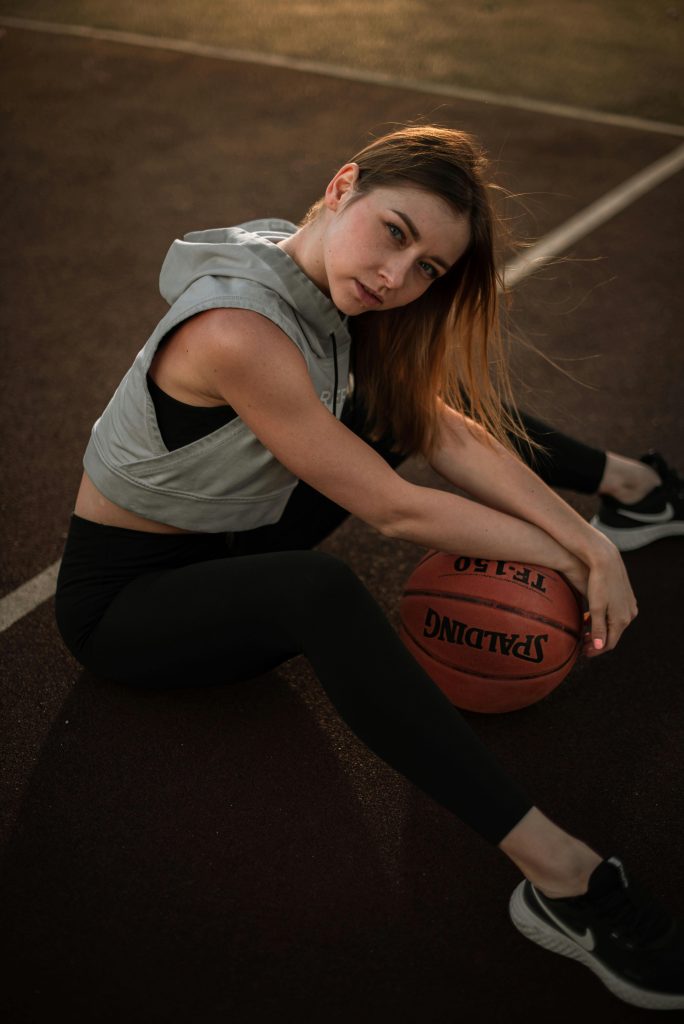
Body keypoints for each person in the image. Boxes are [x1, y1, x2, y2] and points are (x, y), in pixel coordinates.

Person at [55, 125, 683, 1010]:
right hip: (130, 605)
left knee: (400, 398)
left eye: (428, 266)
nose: (398, 276)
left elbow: (440, 429)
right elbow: (395, 507)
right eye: (395, 232)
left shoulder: (316, 270)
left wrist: (592, 539)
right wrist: (571, 555)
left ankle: (633, 490)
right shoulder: (238, 325)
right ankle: (564, 877)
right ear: (343, 185)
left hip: (239, 535)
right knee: (321, 588)